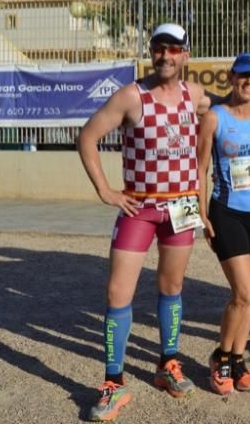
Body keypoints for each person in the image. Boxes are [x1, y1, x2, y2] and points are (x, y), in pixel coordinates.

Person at [77, 23, 213, 421]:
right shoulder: (131, 96)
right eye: (159, 48)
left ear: (186, 55)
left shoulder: (196, 96)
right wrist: (105, 190)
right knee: (118, 292)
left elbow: (232, 105)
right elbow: (87, 136)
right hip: (141, 210)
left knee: (172, 288)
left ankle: (168, 364)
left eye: (174, 49)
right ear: (151, 52)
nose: (166, 56)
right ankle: (113, 383)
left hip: (181, 210)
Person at [196, 53, 250, 395]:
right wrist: (201, 212)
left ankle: (239, 361)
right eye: (245, 76)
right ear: (232, 77)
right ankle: (221, 357)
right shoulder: (214, 117)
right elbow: (199, 168)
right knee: (242, 292)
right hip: (227, 212)